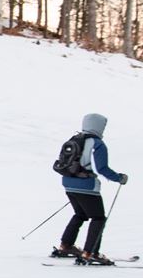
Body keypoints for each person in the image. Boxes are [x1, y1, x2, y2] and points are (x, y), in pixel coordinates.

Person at [53, 113, 128, 265]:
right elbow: (102, 168)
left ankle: (65, 246)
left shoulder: (74, 139)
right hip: (86, 186)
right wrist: (119, 178)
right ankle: (91, 252)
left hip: (67, 183)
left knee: (80, 214)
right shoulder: (97, 143)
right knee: (98, 218)